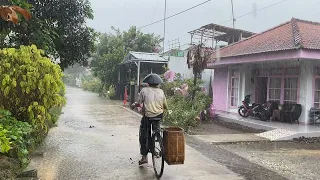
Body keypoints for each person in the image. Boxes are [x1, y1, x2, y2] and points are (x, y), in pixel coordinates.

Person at [134, 73, 168, 165]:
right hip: (159, 115)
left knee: (144, 135)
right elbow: (165, 105)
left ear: (148, 83)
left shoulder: (144, 90)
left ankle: (144, 157)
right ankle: (158, 139)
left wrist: (135, 104)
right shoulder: (161, 91)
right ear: (158, 83)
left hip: (148, 116)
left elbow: (139, 103)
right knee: (156, 129)